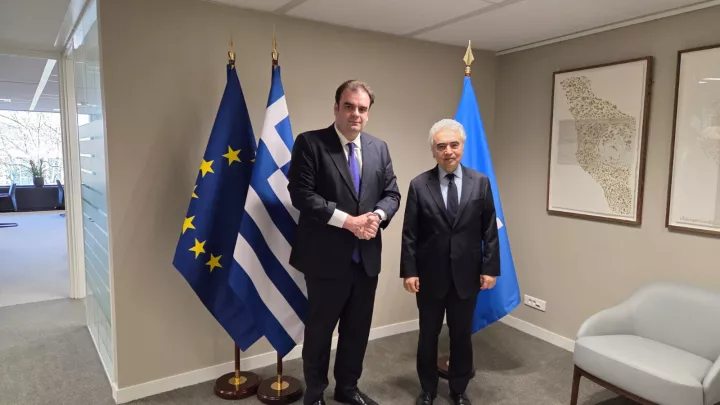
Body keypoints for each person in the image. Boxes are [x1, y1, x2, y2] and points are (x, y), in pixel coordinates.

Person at [287, 80, 401, 405]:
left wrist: (376, 216)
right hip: (325, 260)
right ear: (336, 107)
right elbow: (301, 195)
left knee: (357, 330)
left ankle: (347, 388)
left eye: (362, 109)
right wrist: (349, 222)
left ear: (368, 113)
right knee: (320, 332)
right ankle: (315, 394)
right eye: (349, 106)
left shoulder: (379, 148)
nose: (356, 114)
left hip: (366, 259)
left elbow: (392, 193)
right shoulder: (310, 143)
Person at [400, 119, 499, 405]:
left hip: (467, 275)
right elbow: (410, 233)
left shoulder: (480, 183)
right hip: (430, 277)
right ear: (433, 151)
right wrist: (409, 271)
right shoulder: (419, 185)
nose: (448, 151)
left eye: (454, 145)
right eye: (441, 146)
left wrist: (490, 268)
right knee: (428, 336)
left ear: (462, 147)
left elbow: (489, 229)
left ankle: (458, 389)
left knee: (461, 336)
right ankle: (428, 389)